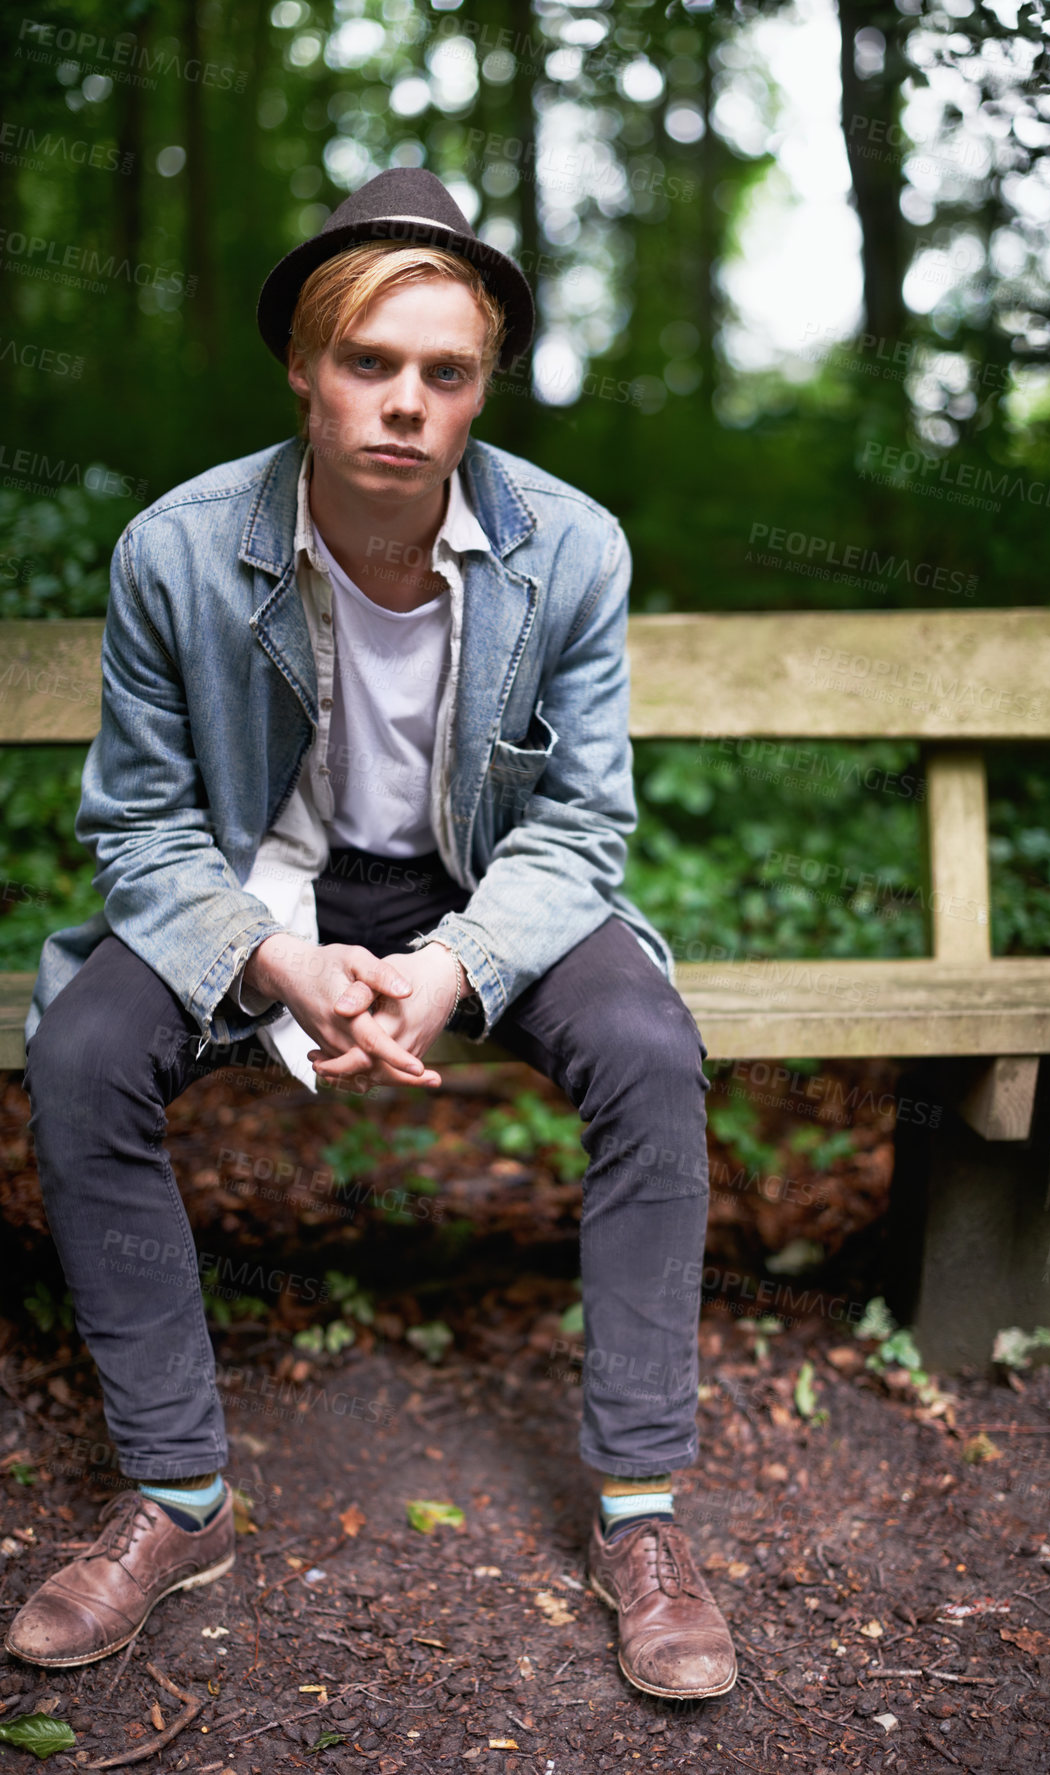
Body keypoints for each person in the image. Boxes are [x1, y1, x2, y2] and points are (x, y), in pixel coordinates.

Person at [8, 168, 737, 1701]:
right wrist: (272, 957)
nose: (403, 403)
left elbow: (582, 827)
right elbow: (138, 827)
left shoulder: (571, 552)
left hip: (483, 890)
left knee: (647, 1050)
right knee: (81, 1054)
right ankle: (178, 1499)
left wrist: (457, 965)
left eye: (444, 373)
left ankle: (640, 1514)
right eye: (369, 362)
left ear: (479, 390)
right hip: (251, 888)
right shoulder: (179, 550)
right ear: (304, 364)